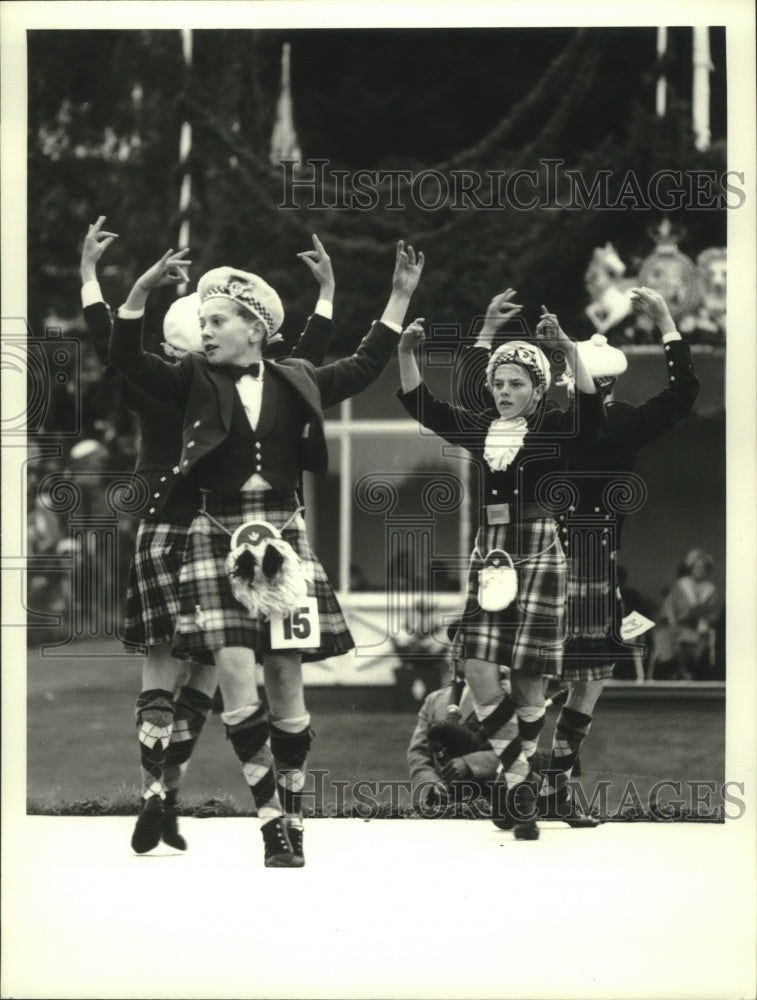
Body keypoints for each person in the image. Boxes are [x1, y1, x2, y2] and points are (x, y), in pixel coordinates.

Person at [109, 239, 424, 866]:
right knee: (230, 669)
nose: (207, 332)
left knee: (284, 675)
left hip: (283, 535)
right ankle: (270, 822)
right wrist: (139, 293)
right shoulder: (192, 378)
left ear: (256, 329)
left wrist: (399, 296)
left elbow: (363, 366)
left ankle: (297, 819)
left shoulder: (296, 377)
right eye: (202, 324)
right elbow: (129, 362)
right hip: (213, 534)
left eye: (217, 321)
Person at [80, 217, 337, 856]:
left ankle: (153, 792)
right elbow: (304, 360)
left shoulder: (154, 381)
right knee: (206, 676)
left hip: (164, 530)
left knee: (163, 669)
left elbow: (108, 341)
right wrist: (326, 300)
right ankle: (170, 790)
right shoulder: (211, 380)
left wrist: (92, 280)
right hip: (212, 535)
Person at [397, 305, 602, 839]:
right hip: (492, 554)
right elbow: (424, 404)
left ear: (537, 390)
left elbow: (592, 408)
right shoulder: (484, 431)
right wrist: (404, 354)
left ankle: (521, 792)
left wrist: (568, 349)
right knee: (480, 667)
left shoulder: (555, 427)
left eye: (516, 384)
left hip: (537, 551)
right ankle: (520, 781)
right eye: (498, 383)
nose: (504, 391)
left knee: (530, 677)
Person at [536, 287, 700, 819]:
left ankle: (549, 780)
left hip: (568, 551)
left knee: (570, 672)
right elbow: (684, 392)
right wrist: (668, 325)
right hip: (581, 551)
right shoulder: (613, 420)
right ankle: (546, 775)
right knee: (583, 672)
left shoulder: (565, 420)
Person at [659, 549, 719, 680]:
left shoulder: (710, 589)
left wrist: (706, 618)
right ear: (691, 568)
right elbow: (669, 606)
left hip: (700, 628)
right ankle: (682, 671)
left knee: (702, 642)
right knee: (672, 638)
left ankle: (693, 671)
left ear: (707, 570)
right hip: (679, 626)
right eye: (696, 567)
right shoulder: (681, 586)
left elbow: (714, 612)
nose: (699, 570)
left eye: (702, 568)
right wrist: (673, 620)